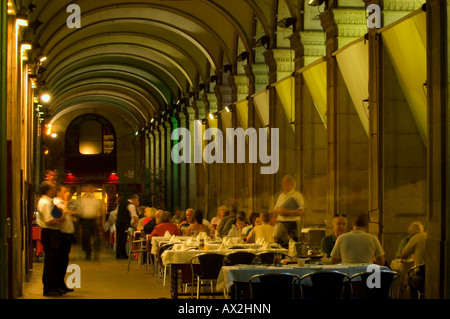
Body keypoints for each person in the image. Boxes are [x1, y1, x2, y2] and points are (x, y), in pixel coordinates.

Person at [36, 181, 65, 296]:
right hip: (50, 233)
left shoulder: (49, 202)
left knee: (54, 261)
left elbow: (56, 215)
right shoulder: (46, 203)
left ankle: (53, 286)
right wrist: (60, 220)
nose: (55, 190)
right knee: (51, 262)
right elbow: (49, 220)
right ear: (47, 190)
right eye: (53, 188)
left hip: (52, 233)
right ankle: (49, 287)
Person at [53, 185, 76, 293]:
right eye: (64, 191)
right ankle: (58, 284)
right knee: (60, 262)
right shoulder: (57, 203)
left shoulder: (62, 202)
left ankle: (61, 283)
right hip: (61, 235)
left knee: (64, 262)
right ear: (58, 192)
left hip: (67, 235)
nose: (67, 193)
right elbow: (63, 215)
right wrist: (66, 200)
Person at [273, 175, 304, 246]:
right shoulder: (281, 195)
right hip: (280, 223)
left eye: (285, 182)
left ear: (292, 184)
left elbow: (300, 212)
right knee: (279, 245)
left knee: (290, 246)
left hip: (291, 225)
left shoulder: (297, 195)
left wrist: (286, 211)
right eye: (283, 182)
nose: (283, 184)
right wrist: (279, 210)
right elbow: (276, 209)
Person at [78, 185, 105, 260]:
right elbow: (80, 209)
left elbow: (100, 209)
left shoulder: (96, 199)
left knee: (96, 236)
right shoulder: (82, 198)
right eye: (88, 188)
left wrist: (101, 219)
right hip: (85, 219)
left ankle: (96, 252)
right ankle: (88, 253)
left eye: (91, 189)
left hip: (94, 219)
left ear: (93, 190)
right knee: (86, 237)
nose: (89, 190)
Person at [115, 194, 139, 259]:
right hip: (124, 223)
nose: (137, 203)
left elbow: (116, 214)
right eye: (137, 201)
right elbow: (134, 216)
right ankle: (121, 254)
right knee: (123, 238)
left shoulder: (121, 204)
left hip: (119, 222)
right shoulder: (131, 205)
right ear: (134, 200)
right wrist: (138, 223)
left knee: (120, 238)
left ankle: (120, 253)